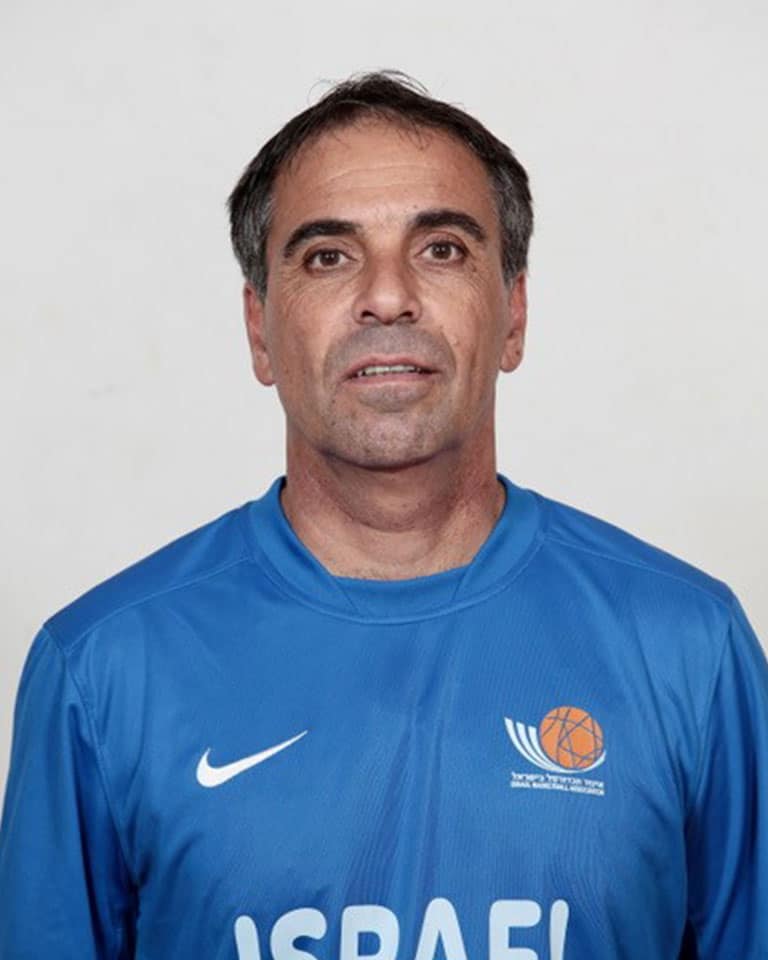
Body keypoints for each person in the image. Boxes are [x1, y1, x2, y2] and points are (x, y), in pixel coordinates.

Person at [0, 70, 765, 960]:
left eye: (442, 249)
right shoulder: (103, 670)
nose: (389, 294)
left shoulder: (689, 649)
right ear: (259, 329)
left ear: (514, 315)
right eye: (329, 256)